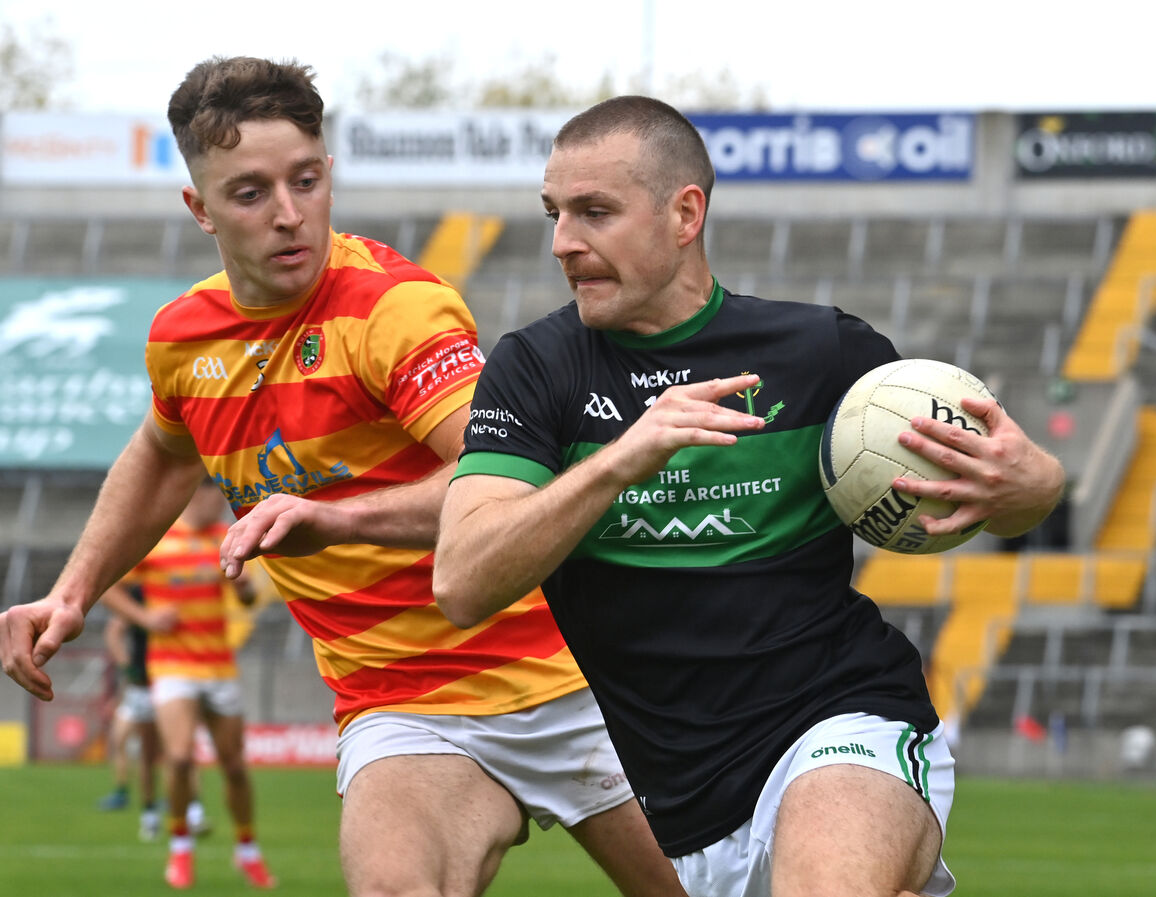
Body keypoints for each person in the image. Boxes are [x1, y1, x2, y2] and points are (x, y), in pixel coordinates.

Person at [0, 57, 684, 897]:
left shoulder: (395, 310)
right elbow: (161, 450)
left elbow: (499, 484)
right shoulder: (183, 339)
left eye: (308, 180)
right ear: (200, 209)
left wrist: (338, 518)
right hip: (401, 706)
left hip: (573, 675)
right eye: (250, 193)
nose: (290, 216)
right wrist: (74, 591)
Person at [433, 96, 1068, 897]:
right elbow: (461, 580)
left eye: (595, 212)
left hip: (842, 720)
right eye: (555, 213)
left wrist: (1034, 482)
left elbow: (991, 492)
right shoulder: (536, 369)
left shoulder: (826, 353)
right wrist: (622, 458)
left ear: (685, 213)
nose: (564, 242)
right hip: (689, 807)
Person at [98, 479, 268, 887]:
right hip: (171, 666)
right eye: (214, 495)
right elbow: (108, 588)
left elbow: (246, 600)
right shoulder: (158, 540)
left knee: (235, 767)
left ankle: (247, 850)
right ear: (196, 495)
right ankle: (180, 848)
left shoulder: (225, 540)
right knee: (177, 758)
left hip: (219, 667)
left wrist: (244, 592)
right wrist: (145, 620)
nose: (220, 505)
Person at [96, 597, 163, 842]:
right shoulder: (135, 603)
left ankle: (187, 806)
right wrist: (126, 670)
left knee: (167, 752)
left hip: (164, 683)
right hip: (138, 688)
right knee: (121, 739)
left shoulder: (162, 603)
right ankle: (123, 792)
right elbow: (113, 632)